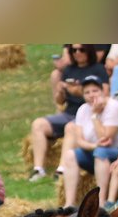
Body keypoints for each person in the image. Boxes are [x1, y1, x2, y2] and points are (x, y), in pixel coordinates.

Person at [28, 44, 107, 181]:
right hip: (68, 112)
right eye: (73, 50)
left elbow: (104, 96)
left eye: (81, 49)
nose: (77, 53)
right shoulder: (69, 70)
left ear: (88, 51)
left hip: (87, 114)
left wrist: (76, 91)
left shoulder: (98, 69)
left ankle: (62, 169)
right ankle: (38, 169)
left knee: (70, 128)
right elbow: (60, 101)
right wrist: (60, 91)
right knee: (38, 124)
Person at [60, 75, 118, 209]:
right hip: (93, 151)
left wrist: (95, 115)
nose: (91, 95)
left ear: (103, 91)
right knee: (70, 155)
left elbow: (106, 137)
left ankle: (100, 201)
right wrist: (94, 145)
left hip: (115, 153)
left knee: (100, 152)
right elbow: (79, 140)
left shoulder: (113, 107)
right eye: (87, 92)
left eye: (95, 91)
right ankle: (69, 204)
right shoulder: (83, 109)